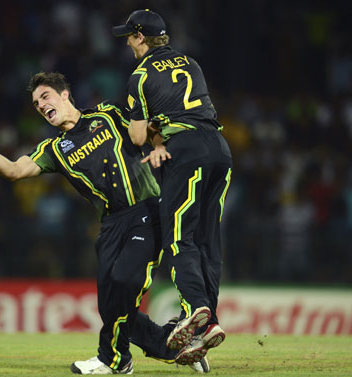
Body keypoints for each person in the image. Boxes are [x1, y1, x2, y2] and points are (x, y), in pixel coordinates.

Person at [0, 72, 185, 375]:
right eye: (35, 103)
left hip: (146, 210)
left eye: (45, 97)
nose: (41, 106)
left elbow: (148, 130)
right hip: (110, 225)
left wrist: (159, 144)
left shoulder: (107, 114)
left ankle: (113, 359)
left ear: (65, 94)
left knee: (124, 279)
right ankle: (172, 346)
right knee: (110, 305)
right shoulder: (54, 149)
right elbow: (16, 170)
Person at [112, 9, 233, 365]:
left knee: (180, 237)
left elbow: (136, 135)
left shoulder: (140, 75)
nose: (128, 44)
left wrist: (153, 134)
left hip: (185, 152)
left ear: (140, 37)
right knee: (209, 241)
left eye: (130, 37)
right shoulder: (191, 63)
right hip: (219, 150)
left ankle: (197, 309)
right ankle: (207, 322)